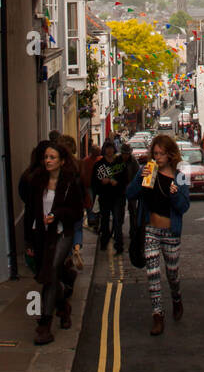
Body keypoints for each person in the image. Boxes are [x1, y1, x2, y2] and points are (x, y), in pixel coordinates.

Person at [126, 133, 190, 336]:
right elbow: (130, 194)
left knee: (172, 274)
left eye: (162, 154)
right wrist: (140, 176)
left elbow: (184, 206)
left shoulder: (179, 175)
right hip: (151, 230)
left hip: (171, 232)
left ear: (171, 155)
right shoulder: (149, 170)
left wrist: (175, 194)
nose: (158, 157)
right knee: (152, 273)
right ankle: (158, 315)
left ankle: (176, 297)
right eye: (155, 153)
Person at [24, 142, 84, 345]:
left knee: (50, 272)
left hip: (61, 233)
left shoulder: (70, 183)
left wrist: (56, 214)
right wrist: (28, 240)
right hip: (41, 234)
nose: (48, 161)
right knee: (49, 274)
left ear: (62, 161)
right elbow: (30, 211)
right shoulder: (36, 181)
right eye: (46, 157)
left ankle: (45, 325)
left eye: (52, 158)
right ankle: (64, 307)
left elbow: (77, 212)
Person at [91, 139, 129, 252]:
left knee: (117, 220)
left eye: (111, 148)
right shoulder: (99, 165)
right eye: (107, 148)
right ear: (104, 150)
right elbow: (94, 182)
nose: (109, 150)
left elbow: (125, 180)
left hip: (118, 196)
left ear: (114, 149)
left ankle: (118, 244)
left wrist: (117, 183)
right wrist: (102, 182)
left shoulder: (120, 164)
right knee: (105, 220)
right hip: (104, 196)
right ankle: (104, 241)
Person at [81, 144, 102, 232]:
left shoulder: (100, 159)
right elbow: (83, 173)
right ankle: (91, 219)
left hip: (99, 186)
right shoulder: (86, 161)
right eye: (96, 152)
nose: (98, 153)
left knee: (96, 203)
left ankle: (95, 220)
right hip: (89, 185)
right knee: (90, 203)